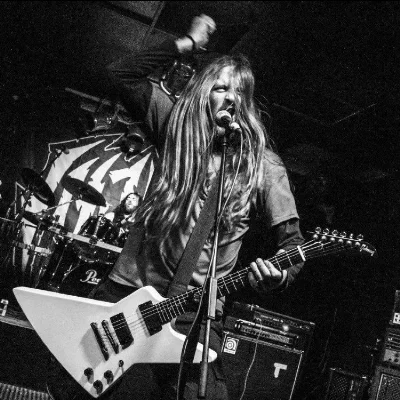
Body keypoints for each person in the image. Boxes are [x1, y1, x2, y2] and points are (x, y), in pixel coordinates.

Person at [89, 13, 305, 400]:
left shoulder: (265, 167)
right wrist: (187, 43)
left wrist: (279, 276)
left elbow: (293, 245)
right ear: (205, 94)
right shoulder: (176, 127)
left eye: (240, 92)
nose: (230, 98)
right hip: (127, 294)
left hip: (194, 313)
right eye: (221, 88)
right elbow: (119, 74)